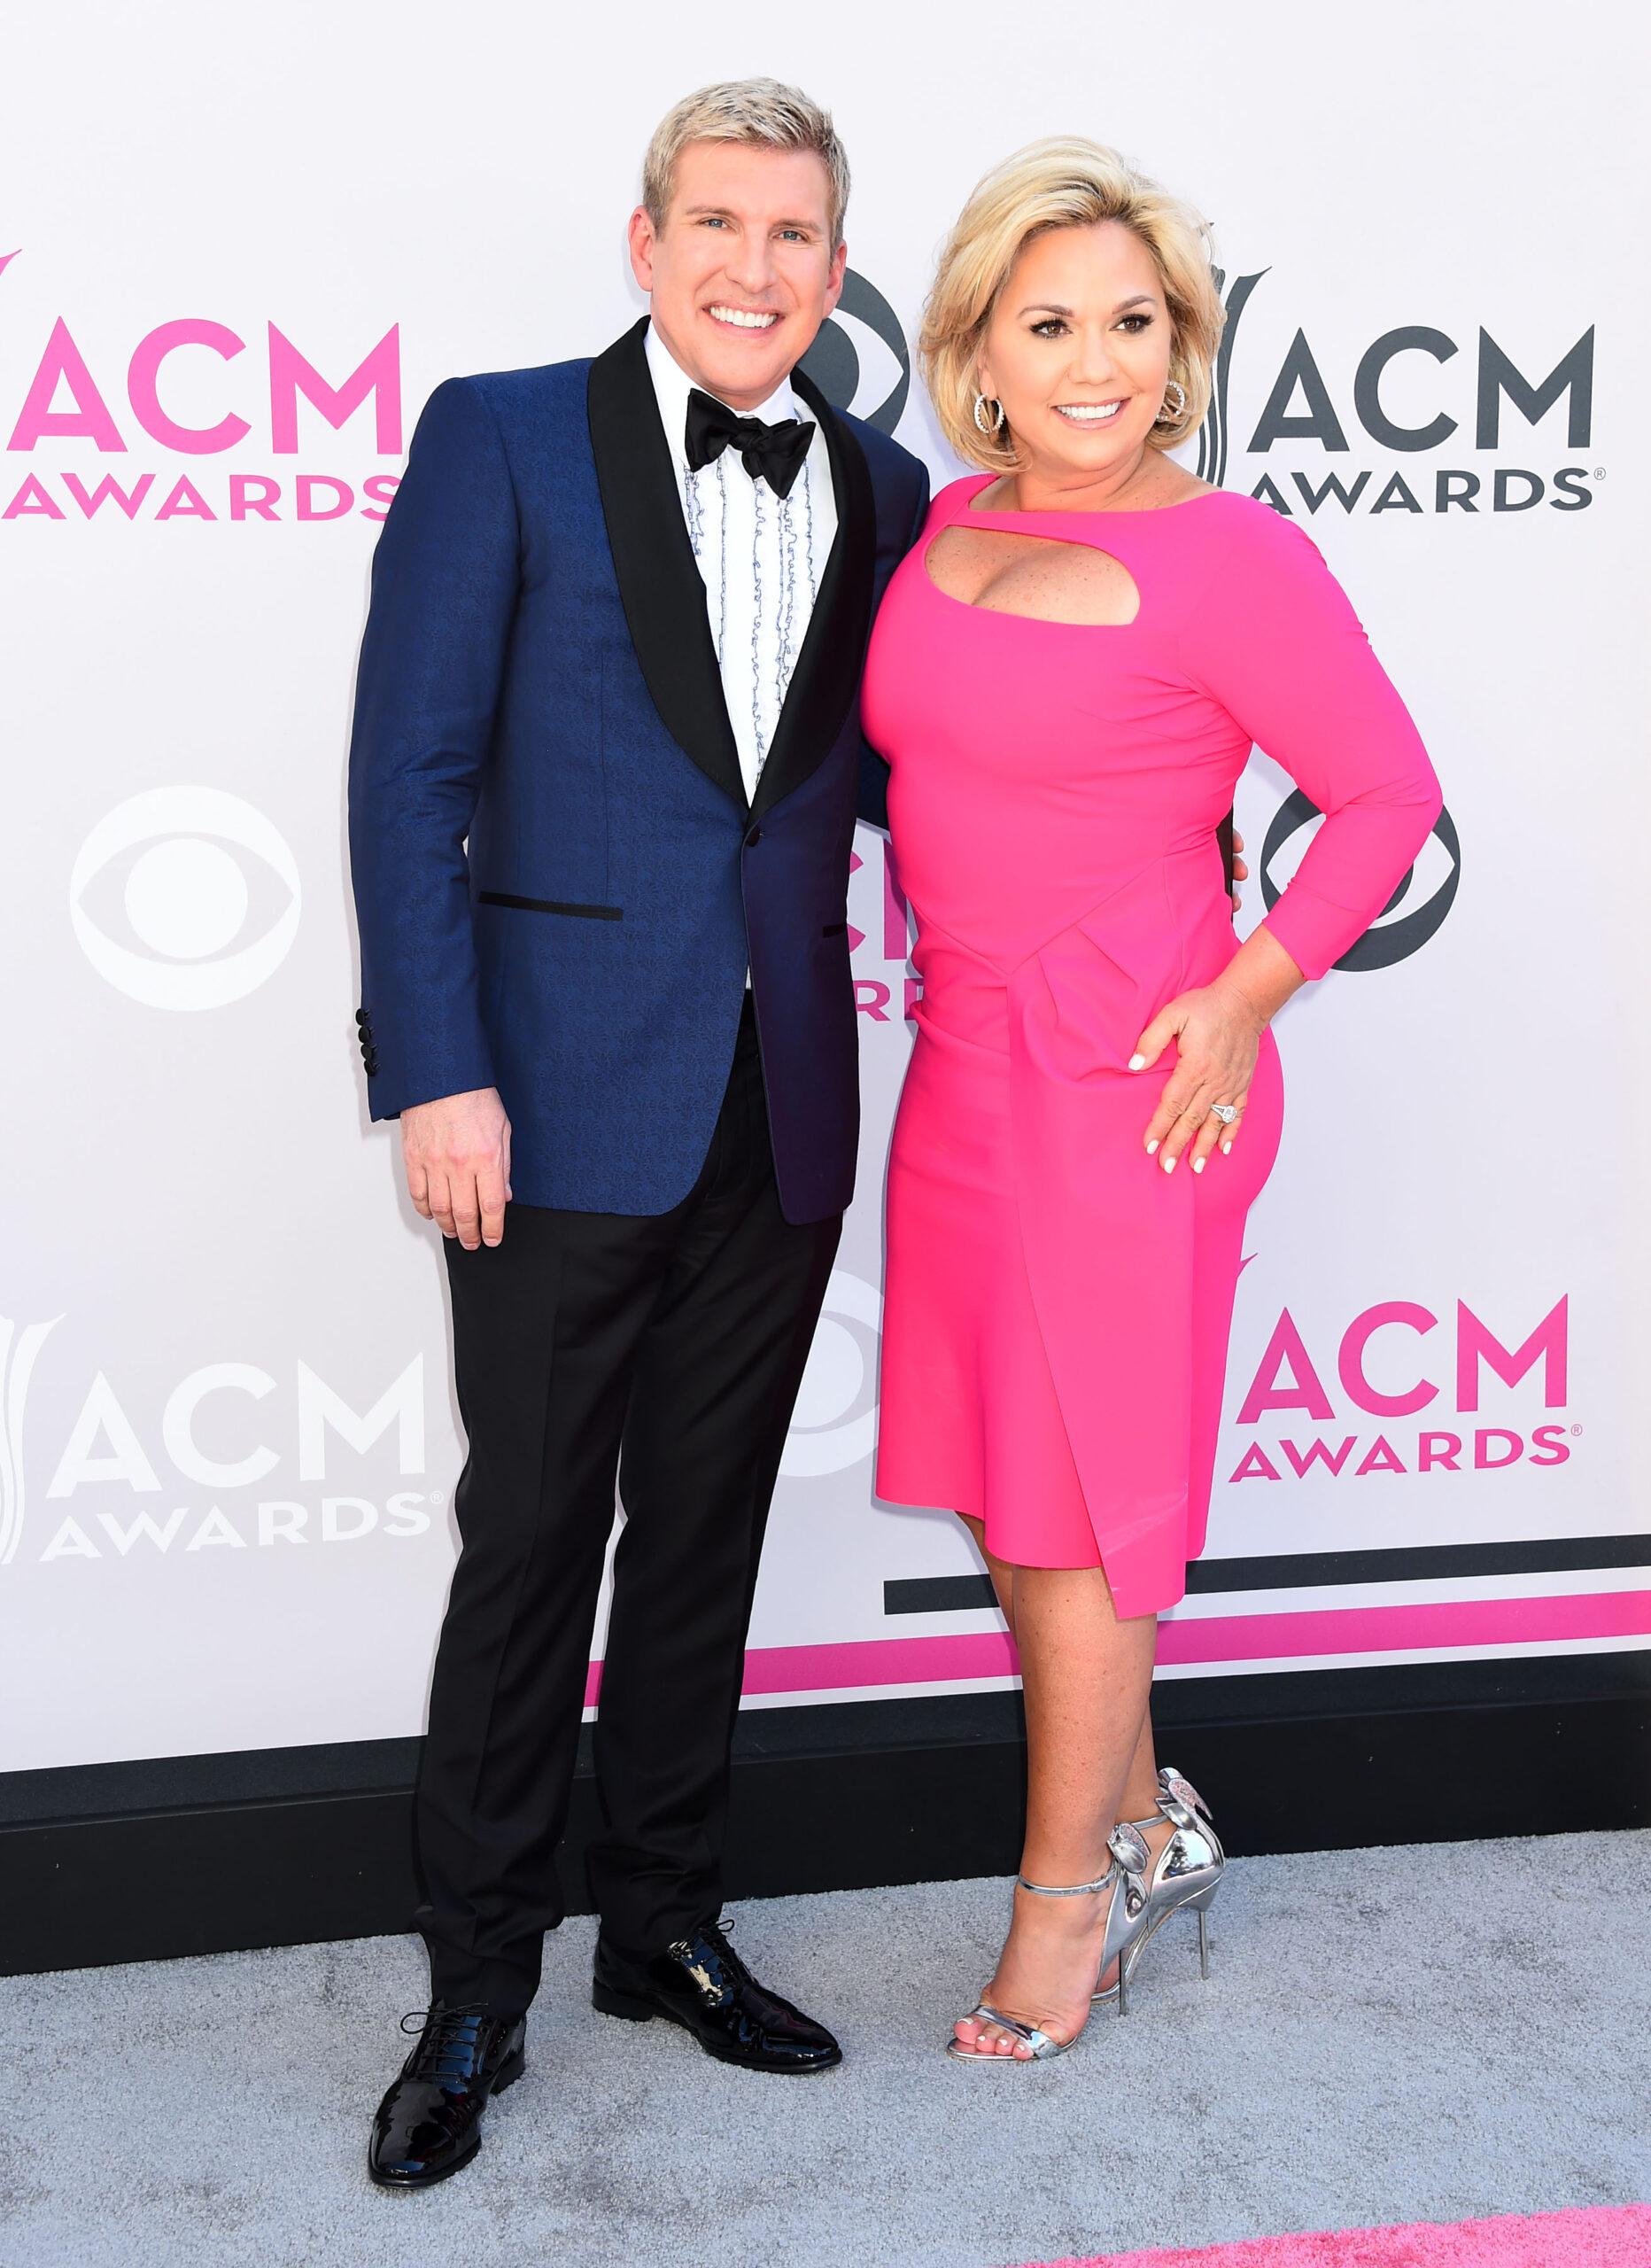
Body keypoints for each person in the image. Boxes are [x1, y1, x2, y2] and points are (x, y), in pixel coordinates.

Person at [346, 80, 930, 2186]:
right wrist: (433, 1068)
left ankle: (661, 1922)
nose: (750, 267)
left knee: (702, 1542)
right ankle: (478, 1978)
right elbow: (408, 773)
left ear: (835, 266)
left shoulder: (880, 482)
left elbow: (896, 780)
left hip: (776, 1101)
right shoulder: (497, 435)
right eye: (713, 222)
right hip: (544, 1099)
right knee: (526, 1556)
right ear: (641, 236)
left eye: (791, 234)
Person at [862, 138, 1443, 2062]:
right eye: (1050, 325)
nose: (1095, 362)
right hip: (962, 1060)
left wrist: (1245, 990)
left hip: (1131, 1075)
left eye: (1131, 322)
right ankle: (1136, 1812)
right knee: (1016, 1498)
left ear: (1178, 348)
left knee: (1087, 1501)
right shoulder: (941, 528)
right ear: (978, 352)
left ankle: (1066, 1903)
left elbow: (1382, 798)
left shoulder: (1230, 555)